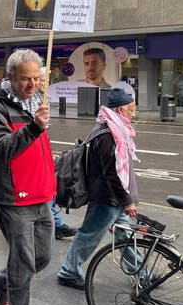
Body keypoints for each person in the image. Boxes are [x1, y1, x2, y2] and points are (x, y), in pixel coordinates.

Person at [0, 49, 56, 305]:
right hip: (13, 196)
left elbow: (40, 149)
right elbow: (2, 149)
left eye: (36, 78)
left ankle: (1, 281)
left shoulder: (37, 101)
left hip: (41, 193)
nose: (32, 84)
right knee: (23, 264)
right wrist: (34, 127)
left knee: (43, 256)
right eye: (26, 79)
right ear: (10, 77)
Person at [57, 88, 140, 290]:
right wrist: (127, 201)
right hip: (107, 198)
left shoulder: (115, 128)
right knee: (89, 234)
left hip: (114, 198)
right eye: (131, 109)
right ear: (120, 109)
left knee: (125, 235)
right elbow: (112, 173)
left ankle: (141, 273)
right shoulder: (108, 134)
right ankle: (68, 272)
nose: (134, 113)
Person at [38, 67, 77, 239]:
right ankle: (55, 225)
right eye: (43, 80)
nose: (46, 83)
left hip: (41, 155)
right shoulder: (31, 100)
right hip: (34, 158)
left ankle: (56, 224)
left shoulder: (40, 99)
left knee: (49, 190)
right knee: (46, 191)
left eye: (47, 80)